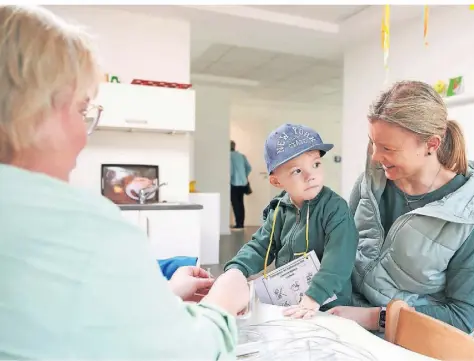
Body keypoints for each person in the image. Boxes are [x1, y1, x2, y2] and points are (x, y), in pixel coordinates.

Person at [0, 5, 249, 360]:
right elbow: (186, 352)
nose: (84, 136)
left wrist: (163, 293)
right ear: (33, 110)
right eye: (81, 110)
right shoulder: (84, 231)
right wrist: (223, 304)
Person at [327, 81, 474, 335]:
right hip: (346, 318)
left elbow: (462, 315)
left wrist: (373, 318)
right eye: (373, 143)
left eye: (388, 148)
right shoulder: (370, 182)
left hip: (407, 334)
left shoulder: (468, 214)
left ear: (431, 145)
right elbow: (342, 250)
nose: (375, 157)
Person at [224, 124, 359, 319]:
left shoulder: (335, 208)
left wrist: (314, 297)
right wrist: (236, 271)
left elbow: (339, 259)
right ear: (277, 181)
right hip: (291, 302)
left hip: (329, 305)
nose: (310, 175)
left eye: (316, 164)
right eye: (297, 171)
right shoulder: (279, 209)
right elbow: (260, 246)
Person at [230, 140, 252, 230]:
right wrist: (244, 175)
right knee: (241, 203)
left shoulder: (228, 156)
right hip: (243, 183)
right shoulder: (241, 156)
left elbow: (230, 170)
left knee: (235, 204)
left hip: (233, 183)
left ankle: (238, 224)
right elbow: (249, 168)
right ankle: (241, 223)